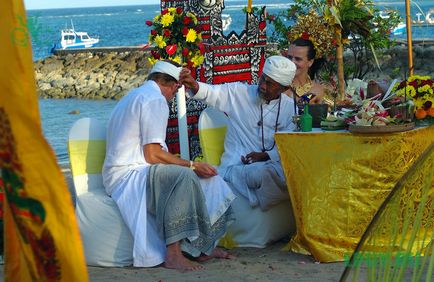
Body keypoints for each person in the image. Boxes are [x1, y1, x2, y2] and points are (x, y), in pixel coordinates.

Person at [102, 60, 236, 271]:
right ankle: (173, 254)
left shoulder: (136, 95)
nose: (175, 95)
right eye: (176, 90)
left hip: (131, 171)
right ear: (174, 86)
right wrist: (192, 164)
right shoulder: (154, 100)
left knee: (211, 178)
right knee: (183, 176)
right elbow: (153, 154)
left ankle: (201, 248)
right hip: (127, 175)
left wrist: (193, 167)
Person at [180, 55, 297, 211]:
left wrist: (266, 156)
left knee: (293, 174)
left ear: (284, 88)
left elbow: (289, 144)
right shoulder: (240, 93)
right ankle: (257, 195)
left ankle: (259, 195)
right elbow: (212, 93)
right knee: (259, 174)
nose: (262, 86)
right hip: (239, 166)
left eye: (270, 84)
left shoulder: (290, 108)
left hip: (270, 165)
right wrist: (193, 84)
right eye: (263, 79)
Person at [283, 11, 336, 109]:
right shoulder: (278, 89)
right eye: (289, 57)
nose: (292, 62)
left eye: (298, 59)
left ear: (310, 62)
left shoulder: (320, 91)